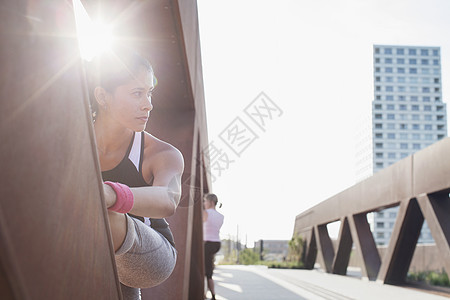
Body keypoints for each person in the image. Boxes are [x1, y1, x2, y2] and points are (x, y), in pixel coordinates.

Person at [87, 47, 184, 300]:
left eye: (149, 93)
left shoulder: (161, 153)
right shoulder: (74, 143)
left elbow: (168, 199)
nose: (148, 105)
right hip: (94, 251)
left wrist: (111, 195)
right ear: (102, 96)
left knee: (104, 213)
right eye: (137, 93)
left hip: (152, 253)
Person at [202, 193, 224, 300]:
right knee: (208, 266)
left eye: (205, 201)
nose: (204, 203)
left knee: (207, 271)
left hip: (208, 244)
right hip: (216, 243)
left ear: (211, 202)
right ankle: (207, 293)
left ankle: (213, 296)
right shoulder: (221, 216)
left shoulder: (205, 213)